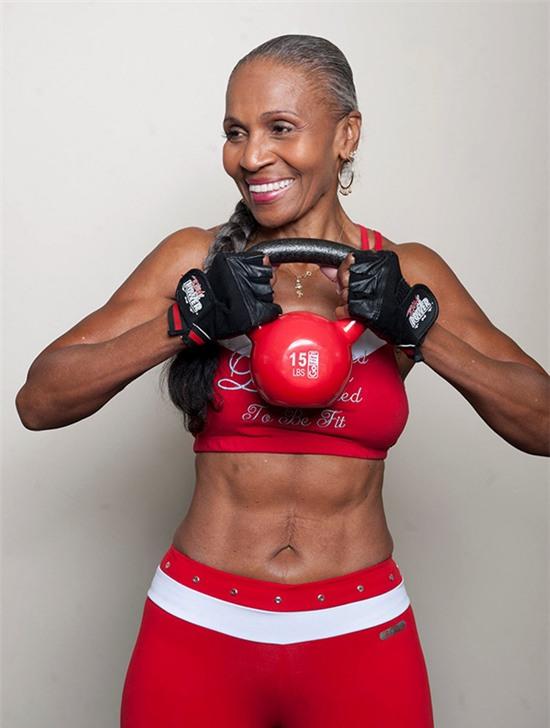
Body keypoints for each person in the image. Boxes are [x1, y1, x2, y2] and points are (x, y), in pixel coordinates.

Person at [15, 34, 549, 728]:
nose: (251, 156)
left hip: (359, 630)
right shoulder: (195, 260)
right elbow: (39, 399)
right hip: (198, 627)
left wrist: (418, 328)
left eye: (281, 128)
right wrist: (186, 322)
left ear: (346, 135)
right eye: (236, 132)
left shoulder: (405, 271)